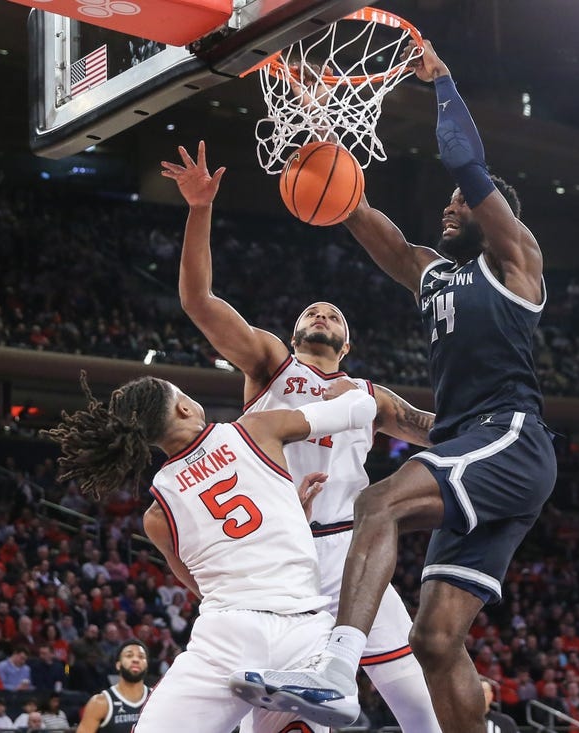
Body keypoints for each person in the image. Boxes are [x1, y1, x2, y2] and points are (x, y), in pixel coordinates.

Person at [231, 39, 557, 733]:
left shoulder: (516, 262)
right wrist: (317, 116)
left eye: (458, 207)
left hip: (508, 436)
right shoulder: (432, 273)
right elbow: (352, 209)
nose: (447, 211)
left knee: (378, 499)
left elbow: (466, 163)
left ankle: (334, 673)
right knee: (434, 643)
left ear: (491, 214)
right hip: (472, 441)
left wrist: (442, 83)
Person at [161, 140, 440, 732]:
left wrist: (501, 417)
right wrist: (200, 209)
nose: (323, 315)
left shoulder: (371, 395)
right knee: (271, 722)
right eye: (313, 312)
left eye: (334, 316)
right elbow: (198, 301)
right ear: (291, 331)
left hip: (351, 550)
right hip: (279, 559)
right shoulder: (268, 364)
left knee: (418, 703)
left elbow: (438, 434)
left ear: (348, 344)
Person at [43, 371, 378, 733]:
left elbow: (205, 584)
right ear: (185, 408)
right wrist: (349, 391)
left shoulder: (157, 515)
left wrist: (289, 514)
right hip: (304, 631)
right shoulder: (254, 429)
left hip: (227, 637)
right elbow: (360, 410)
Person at [75, 640, 150, 733]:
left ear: (146, 665)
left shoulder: (156, 699)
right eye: (129, 655)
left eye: (141, 656)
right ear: (118, 665)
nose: (135, 659)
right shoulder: (100, 702)